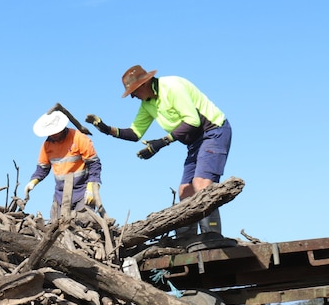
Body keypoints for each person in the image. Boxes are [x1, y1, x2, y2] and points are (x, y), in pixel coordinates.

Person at [85, 65, 232, 242]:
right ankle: (186, 239)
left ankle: (212, 235)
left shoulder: (172, 86)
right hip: (194, 142)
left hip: (214, 131)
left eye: (133, 91)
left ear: (143, 85)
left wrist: (161, 142)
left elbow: (192, 120)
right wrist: (105, 128)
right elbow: (135, 133)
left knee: (201, 184)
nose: (132, 96)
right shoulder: (147, 104)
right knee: (185, 191)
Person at [24, 110, 103, 221]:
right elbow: (43, 168)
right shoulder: (47, 145)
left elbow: (94, 164)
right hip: (61, 195)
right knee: (57, 227)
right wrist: (33, 181)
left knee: (83, 224)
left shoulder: (79, 138)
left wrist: (91, 187)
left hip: (82, 191)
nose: (54, 135)